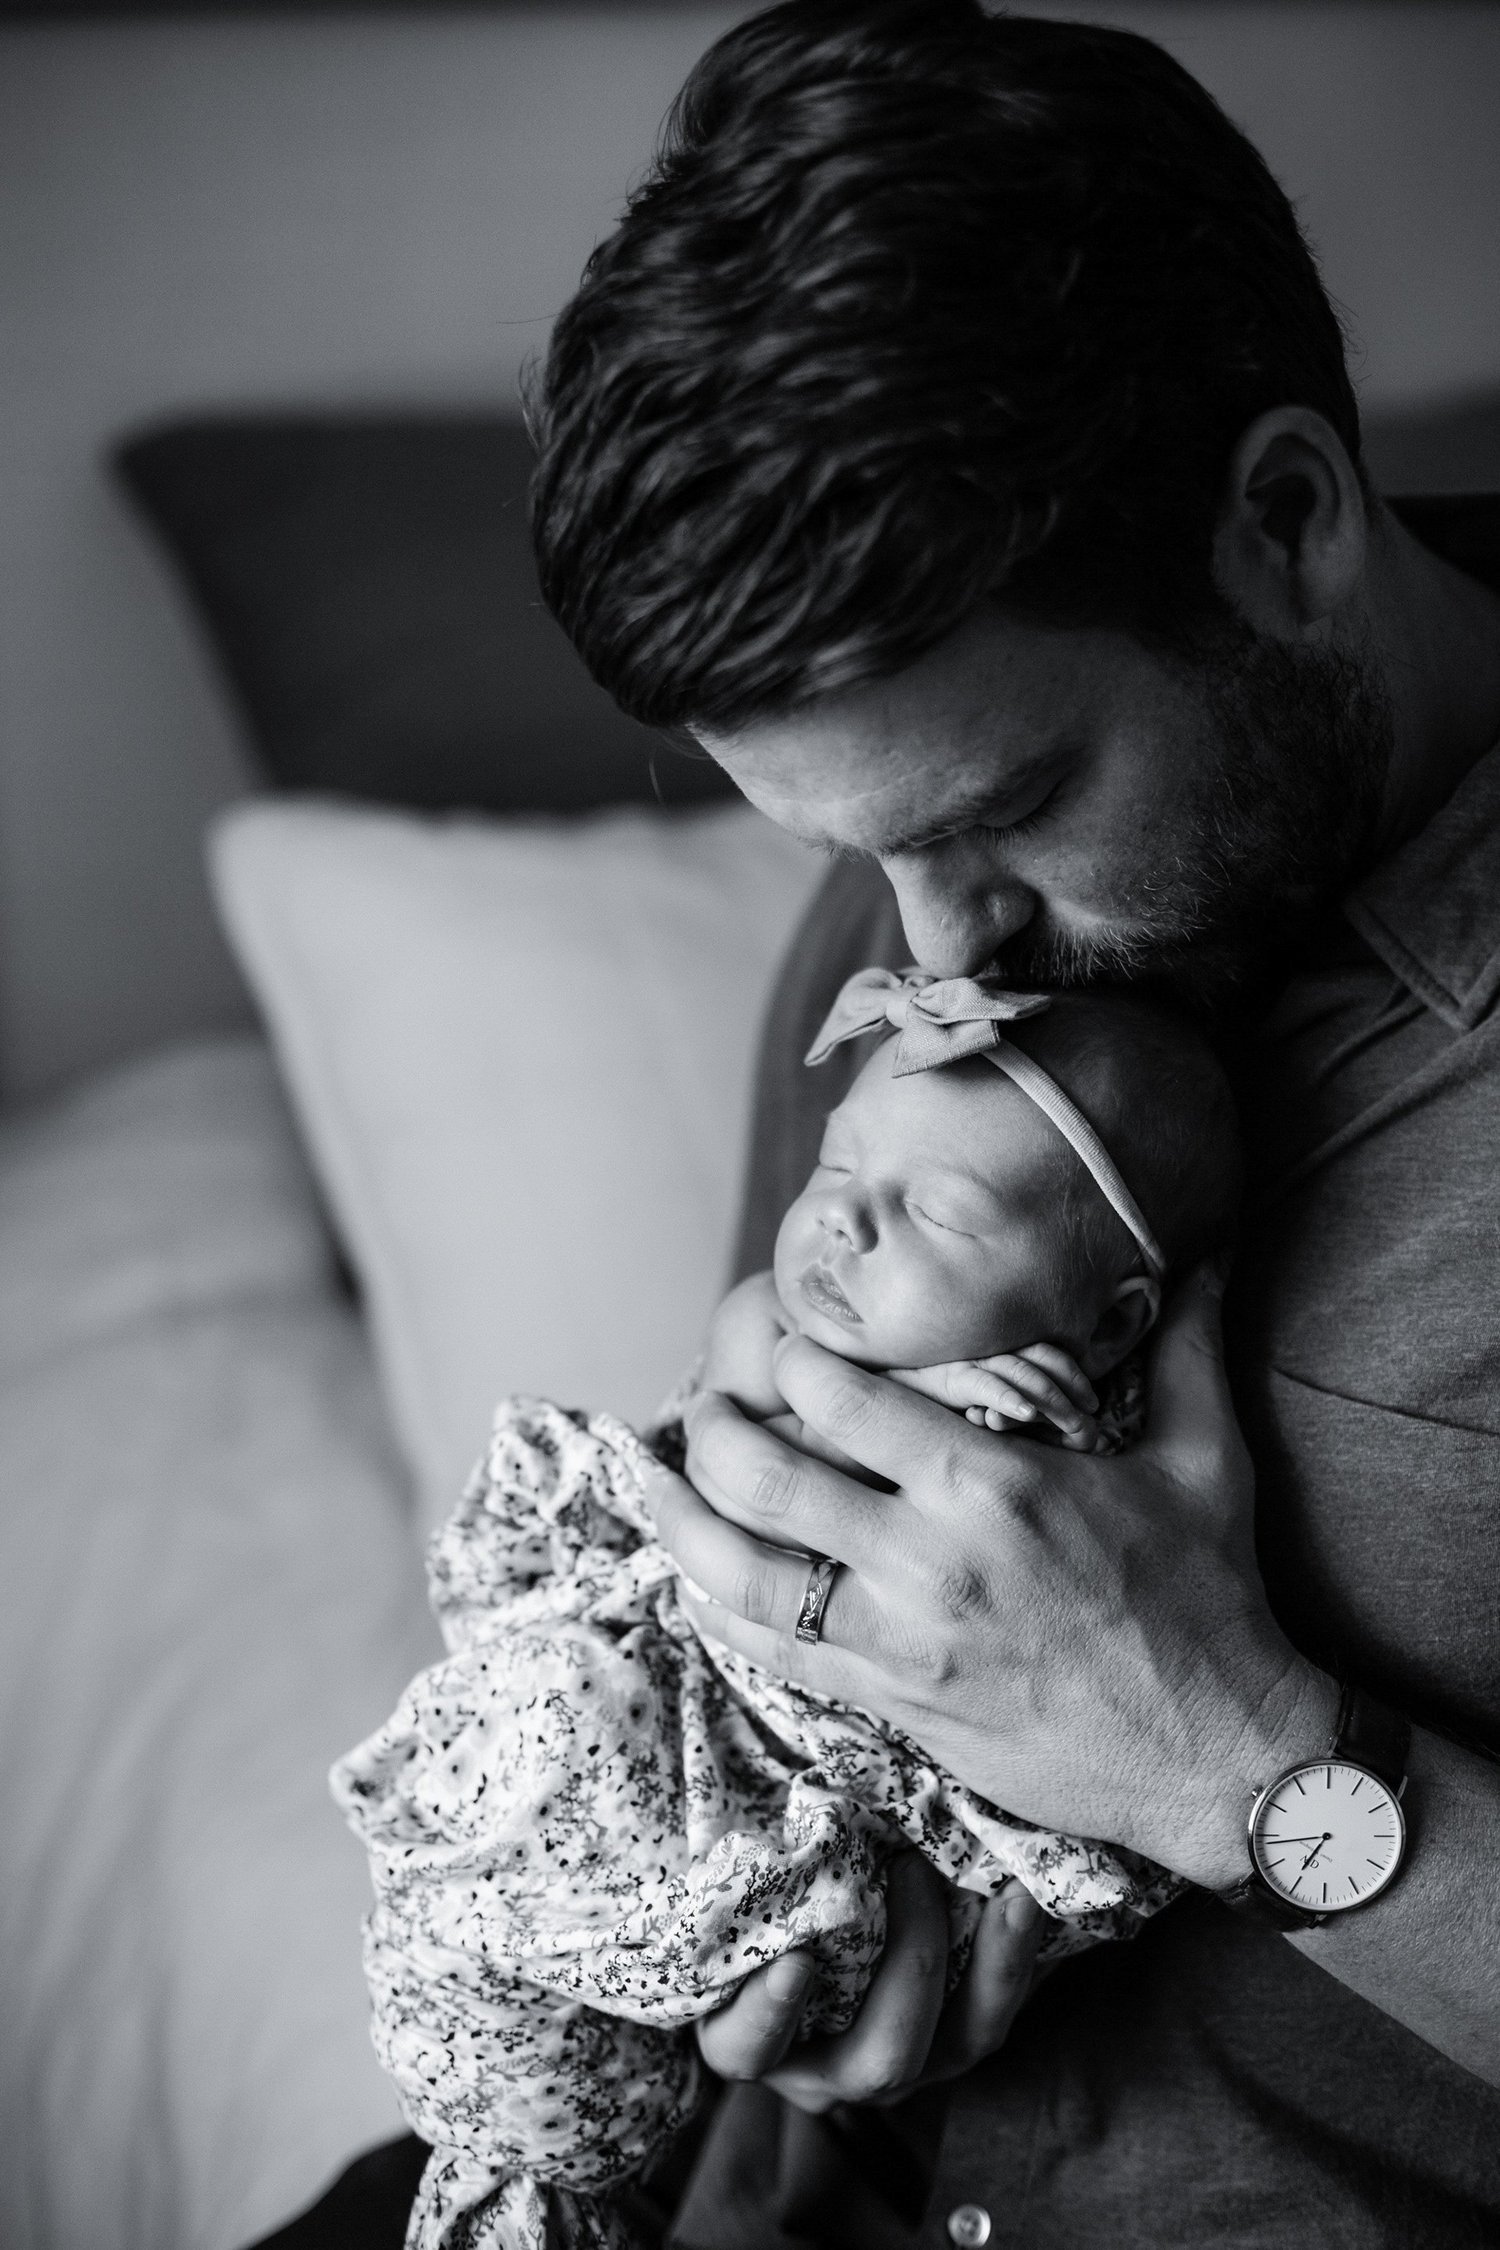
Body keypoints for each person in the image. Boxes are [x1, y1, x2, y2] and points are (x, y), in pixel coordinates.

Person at [526, 3, 1500, 2244]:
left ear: (1284, 523)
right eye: (848, 851)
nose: (931, 953)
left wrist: (1242, 1766)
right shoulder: (920, 928)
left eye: (1007, 812)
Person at [333, 974, 1237, 2250]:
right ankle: (529, 2140)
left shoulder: (1104, 1453)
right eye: (837, 1165)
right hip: (687, 1705)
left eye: (936, 1211)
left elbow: (1066, 1568)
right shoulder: (783, 1331)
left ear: (1111, 1322)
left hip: (830, 1823)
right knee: (521, 1771)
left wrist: (1045, 1424)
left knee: (608, 1952)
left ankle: (554, 2149)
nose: (839, 1225)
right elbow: (756, 1363)